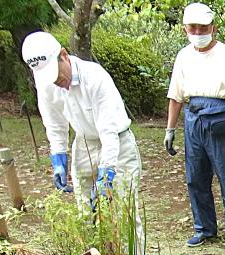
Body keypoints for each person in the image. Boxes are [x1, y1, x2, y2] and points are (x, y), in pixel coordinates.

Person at [165, 2, 225, 255]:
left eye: (203, 27)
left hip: (222, 120)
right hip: (193, 120)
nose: (198, 32)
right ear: (185, 29)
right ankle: (204, 228)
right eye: (192, 27)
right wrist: (170, 129)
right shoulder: (184, 56)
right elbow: (176, 96)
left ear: (213, 27)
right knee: (196, 177)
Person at [22, 31, 142, 219]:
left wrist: (107, 171)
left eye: (57, 75)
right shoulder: (46, 84)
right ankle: (93, 249)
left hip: (117, 141)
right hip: (84, 142)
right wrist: (58, 158)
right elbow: (55, 124)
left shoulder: (94, 77)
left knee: (123, 214)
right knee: (86, 213)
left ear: (63, 55)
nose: (56, 82)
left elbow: (108, 130)